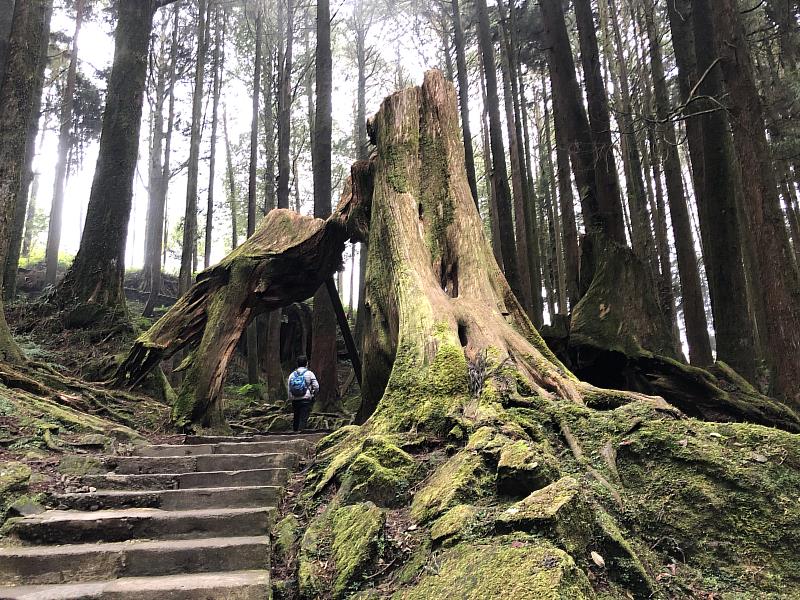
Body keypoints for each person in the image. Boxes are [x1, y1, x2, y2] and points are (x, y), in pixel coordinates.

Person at [287, 355, 319, 432]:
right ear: (306, 363)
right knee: (303, 418)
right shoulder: (309, 373)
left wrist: (290, 398)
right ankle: (301, 433)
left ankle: (294, 433)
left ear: (297, 364)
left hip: (295, 399)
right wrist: (313, 394)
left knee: (296, 417)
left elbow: (289, 388)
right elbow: (316, 386)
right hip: (306, 399)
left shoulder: (292, 374)